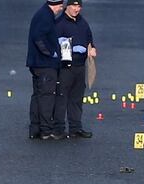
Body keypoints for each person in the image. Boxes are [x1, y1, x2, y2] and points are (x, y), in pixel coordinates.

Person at [54, 0, 96, 138]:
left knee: (77, 99)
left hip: (80, 66)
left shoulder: (82, 22)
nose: (77, 9)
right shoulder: (60, 24)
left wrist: (92, 47)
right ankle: (59, 129)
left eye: (79, 6)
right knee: (62, 98)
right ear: (67, 6)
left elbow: (89, 37)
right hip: (66, 67)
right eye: (74, 6)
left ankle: (75, 127)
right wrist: (73, 50)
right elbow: (58, 46)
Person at [26, 0, 64, 140]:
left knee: (37, 95)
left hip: (37, 64)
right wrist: (50, 52)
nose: (61, 8)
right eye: (60, 5)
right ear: (55, 4)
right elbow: (38, 37)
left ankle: (34, 128)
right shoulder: (45, 16)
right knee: (47, 96)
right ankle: (46, 130)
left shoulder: (42, 14)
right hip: (45, 64)